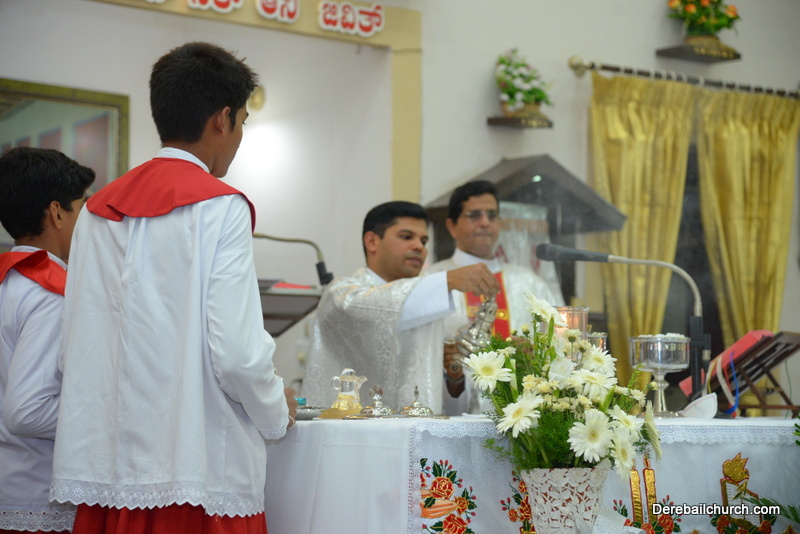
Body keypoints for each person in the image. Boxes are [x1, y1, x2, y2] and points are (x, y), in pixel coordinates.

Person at [50, 42, 296, 534]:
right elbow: (237, 356)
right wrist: (275, 411)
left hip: (110, 475)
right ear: (222, 119)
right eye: (243, 122)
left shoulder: (96, 212)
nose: (240, 136)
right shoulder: (222, 207)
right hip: (199, 474)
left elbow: (74, 343)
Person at [302, 201, 498, 413]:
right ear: (372, 241)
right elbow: (376, 308)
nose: (419, 247)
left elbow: (436, 397)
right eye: (406, 237)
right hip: (350, 429)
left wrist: (453, 378)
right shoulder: (340, 294)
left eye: (423, 241)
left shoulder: (426, 303)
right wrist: (447, 280)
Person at [0, 147, 95, 534]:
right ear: (57, 212)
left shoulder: (8, 279)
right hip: (37, 495)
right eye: (83, 206)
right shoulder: (51, 292)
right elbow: (26, 411)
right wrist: (106, 417)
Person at [424, 180, 564, 414]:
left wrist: (535, 352)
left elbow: (559, 343)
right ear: (452, 226)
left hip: (524, 415)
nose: (485, 223)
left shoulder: (528, 282)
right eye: (474, 215)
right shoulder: (434, 281)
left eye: (492, 215)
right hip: (451, 412)